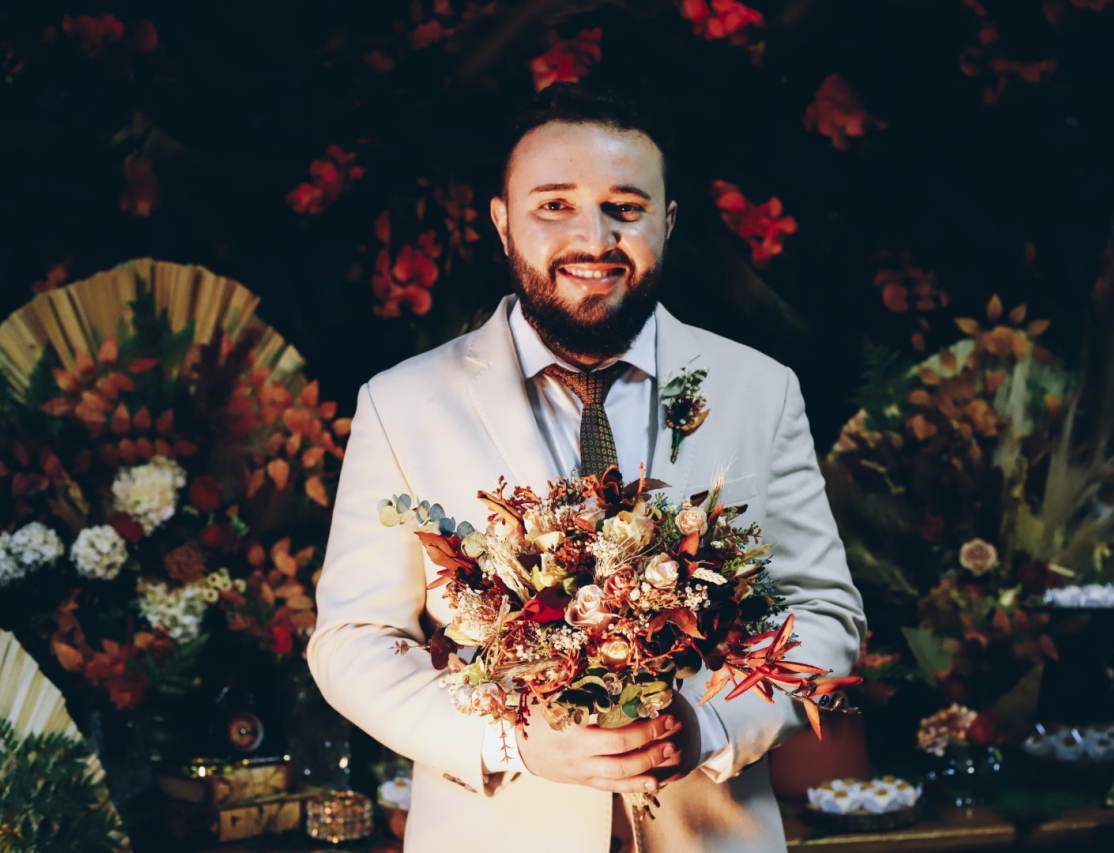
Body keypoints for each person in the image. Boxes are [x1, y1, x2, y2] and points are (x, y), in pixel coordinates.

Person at [308, 83, 866, 853]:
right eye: (555, 205)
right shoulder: (401, 402)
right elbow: (353, 638)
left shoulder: (759, 390)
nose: (594, 238)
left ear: (667, 223)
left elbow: (824, 611)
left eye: (625, 208)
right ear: (503, 221)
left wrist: (712, 725)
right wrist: (506, 739)